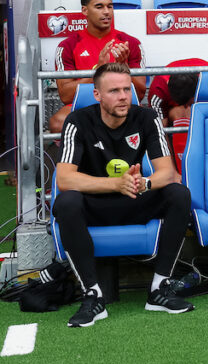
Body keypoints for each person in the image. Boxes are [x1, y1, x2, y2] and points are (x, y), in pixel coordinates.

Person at [55, 62, 194, 327]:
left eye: (127, 90)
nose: (123, 97)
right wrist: (115, 184)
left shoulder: (147, 118)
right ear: (97, 94)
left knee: (179, 194)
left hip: (133, 199)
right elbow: (64, 179)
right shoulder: (77, 121)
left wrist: (145, 184)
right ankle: (93, 295)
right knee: (67, 202)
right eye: (114, 91)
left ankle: (159, 288)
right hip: (95, 205)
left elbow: (168, 173)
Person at [50, 0, 146, 134]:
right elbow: (66, 96)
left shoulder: (130, 43)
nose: (106, 12)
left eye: (110, 6)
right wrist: (98, 70)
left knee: (148, 119)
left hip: (121, 102)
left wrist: (123, 66)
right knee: (58, 123)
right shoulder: (67, 46)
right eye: (99, 7)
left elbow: (139, 94)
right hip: (85, 104)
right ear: (85, 10)